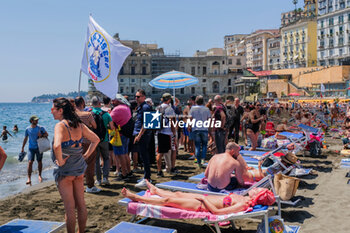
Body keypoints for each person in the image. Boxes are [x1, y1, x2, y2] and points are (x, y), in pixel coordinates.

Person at [51, 97, 99, 233]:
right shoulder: (79, 125)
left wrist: (60, 161)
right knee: (81, 205)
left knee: (70, 208)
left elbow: (57, 145)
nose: (51, 112)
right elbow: (96, 140)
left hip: (66, 172)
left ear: (60, 110)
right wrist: (86, 155)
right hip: (78, 170)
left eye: (53, 109)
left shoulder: (60, 125)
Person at [121, 181, 275, 215]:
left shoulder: (242, 206)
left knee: (168, 201)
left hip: (201, 205)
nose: (256, 188)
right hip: (203, 198)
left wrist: (204, 200)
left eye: (258, 190)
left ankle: (134, 197)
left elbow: (217, 213)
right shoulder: (244, 198)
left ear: (259, 197)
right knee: (178, 194)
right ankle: (155, 189)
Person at [74, 96, 100, 193]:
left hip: (76, 143)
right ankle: (90, 185)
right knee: (90, 164)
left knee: (77, 164)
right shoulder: (87, 114)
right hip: (88, 142)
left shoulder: (73, 115)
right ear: (82, 103)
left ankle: (78, 184)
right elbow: (95, 126)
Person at [91, 96, 115, 185]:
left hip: (94, 140)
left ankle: (98, 180)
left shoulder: (90, 114)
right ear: (100, 104)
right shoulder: (106, 114)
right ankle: (105, 177)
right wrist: (107, 126)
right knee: (106, 158)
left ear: (92, 104)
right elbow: (112, 127)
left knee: (96, 160)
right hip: (104, 139)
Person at [110, 94, 132, 180]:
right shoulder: (126, 107)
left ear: (118, 100)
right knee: (125, 154)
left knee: (120, 155)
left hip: (119, 135)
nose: (112, 102)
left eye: (113, 100)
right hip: (125, 133)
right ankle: (128, 171)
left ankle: (123, 174)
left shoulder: (117, 109)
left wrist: (108, 113)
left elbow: (109, 120)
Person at [133, 89, 153, 187]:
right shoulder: (141, 107)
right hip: (140, 134)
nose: (136, 98)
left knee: (144, 156)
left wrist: (139, 135)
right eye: (136, 96)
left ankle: (147, 178)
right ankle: (146, 176)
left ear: (143, 97)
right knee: (143, 156)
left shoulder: (145, 107)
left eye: (138, 96)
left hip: (143, 135)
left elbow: (146, 123)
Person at [21, 115, 48, 185]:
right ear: (31, 121)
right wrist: (22, 147)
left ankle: (40, 175)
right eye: (35, 120)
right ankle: (29, 178)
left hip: (39, 147)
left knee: (39, 161)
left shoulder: (40, 128)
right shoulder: (27, 129)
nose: (37, 121)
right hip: (31, 148)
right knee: (30, 162)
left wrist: (41, 135)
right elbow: (25, 138)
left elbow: (46, 134)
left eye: (37, 120)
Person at [155, 93, 176, 177]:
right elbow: (171, 122)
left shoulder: (158, 108)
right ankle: (171, 168)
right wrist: (174, 132)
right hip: (167, 133)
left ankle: (159, 170)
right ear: (169, 100)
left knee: (160, 152)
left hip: (159, 132)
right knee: (172, 150)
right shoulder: (169, 109)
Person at [189, 95, 211, 167]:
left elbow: (190, 119)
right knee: (204, 145)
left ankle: (198, 161)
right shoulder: (206, 109)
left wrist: (189, 126)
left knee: (197, 146)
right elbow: (209, 119)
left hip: (196, 129)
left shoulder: (193, 108)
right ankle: (203, 159)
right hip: (204, 128)